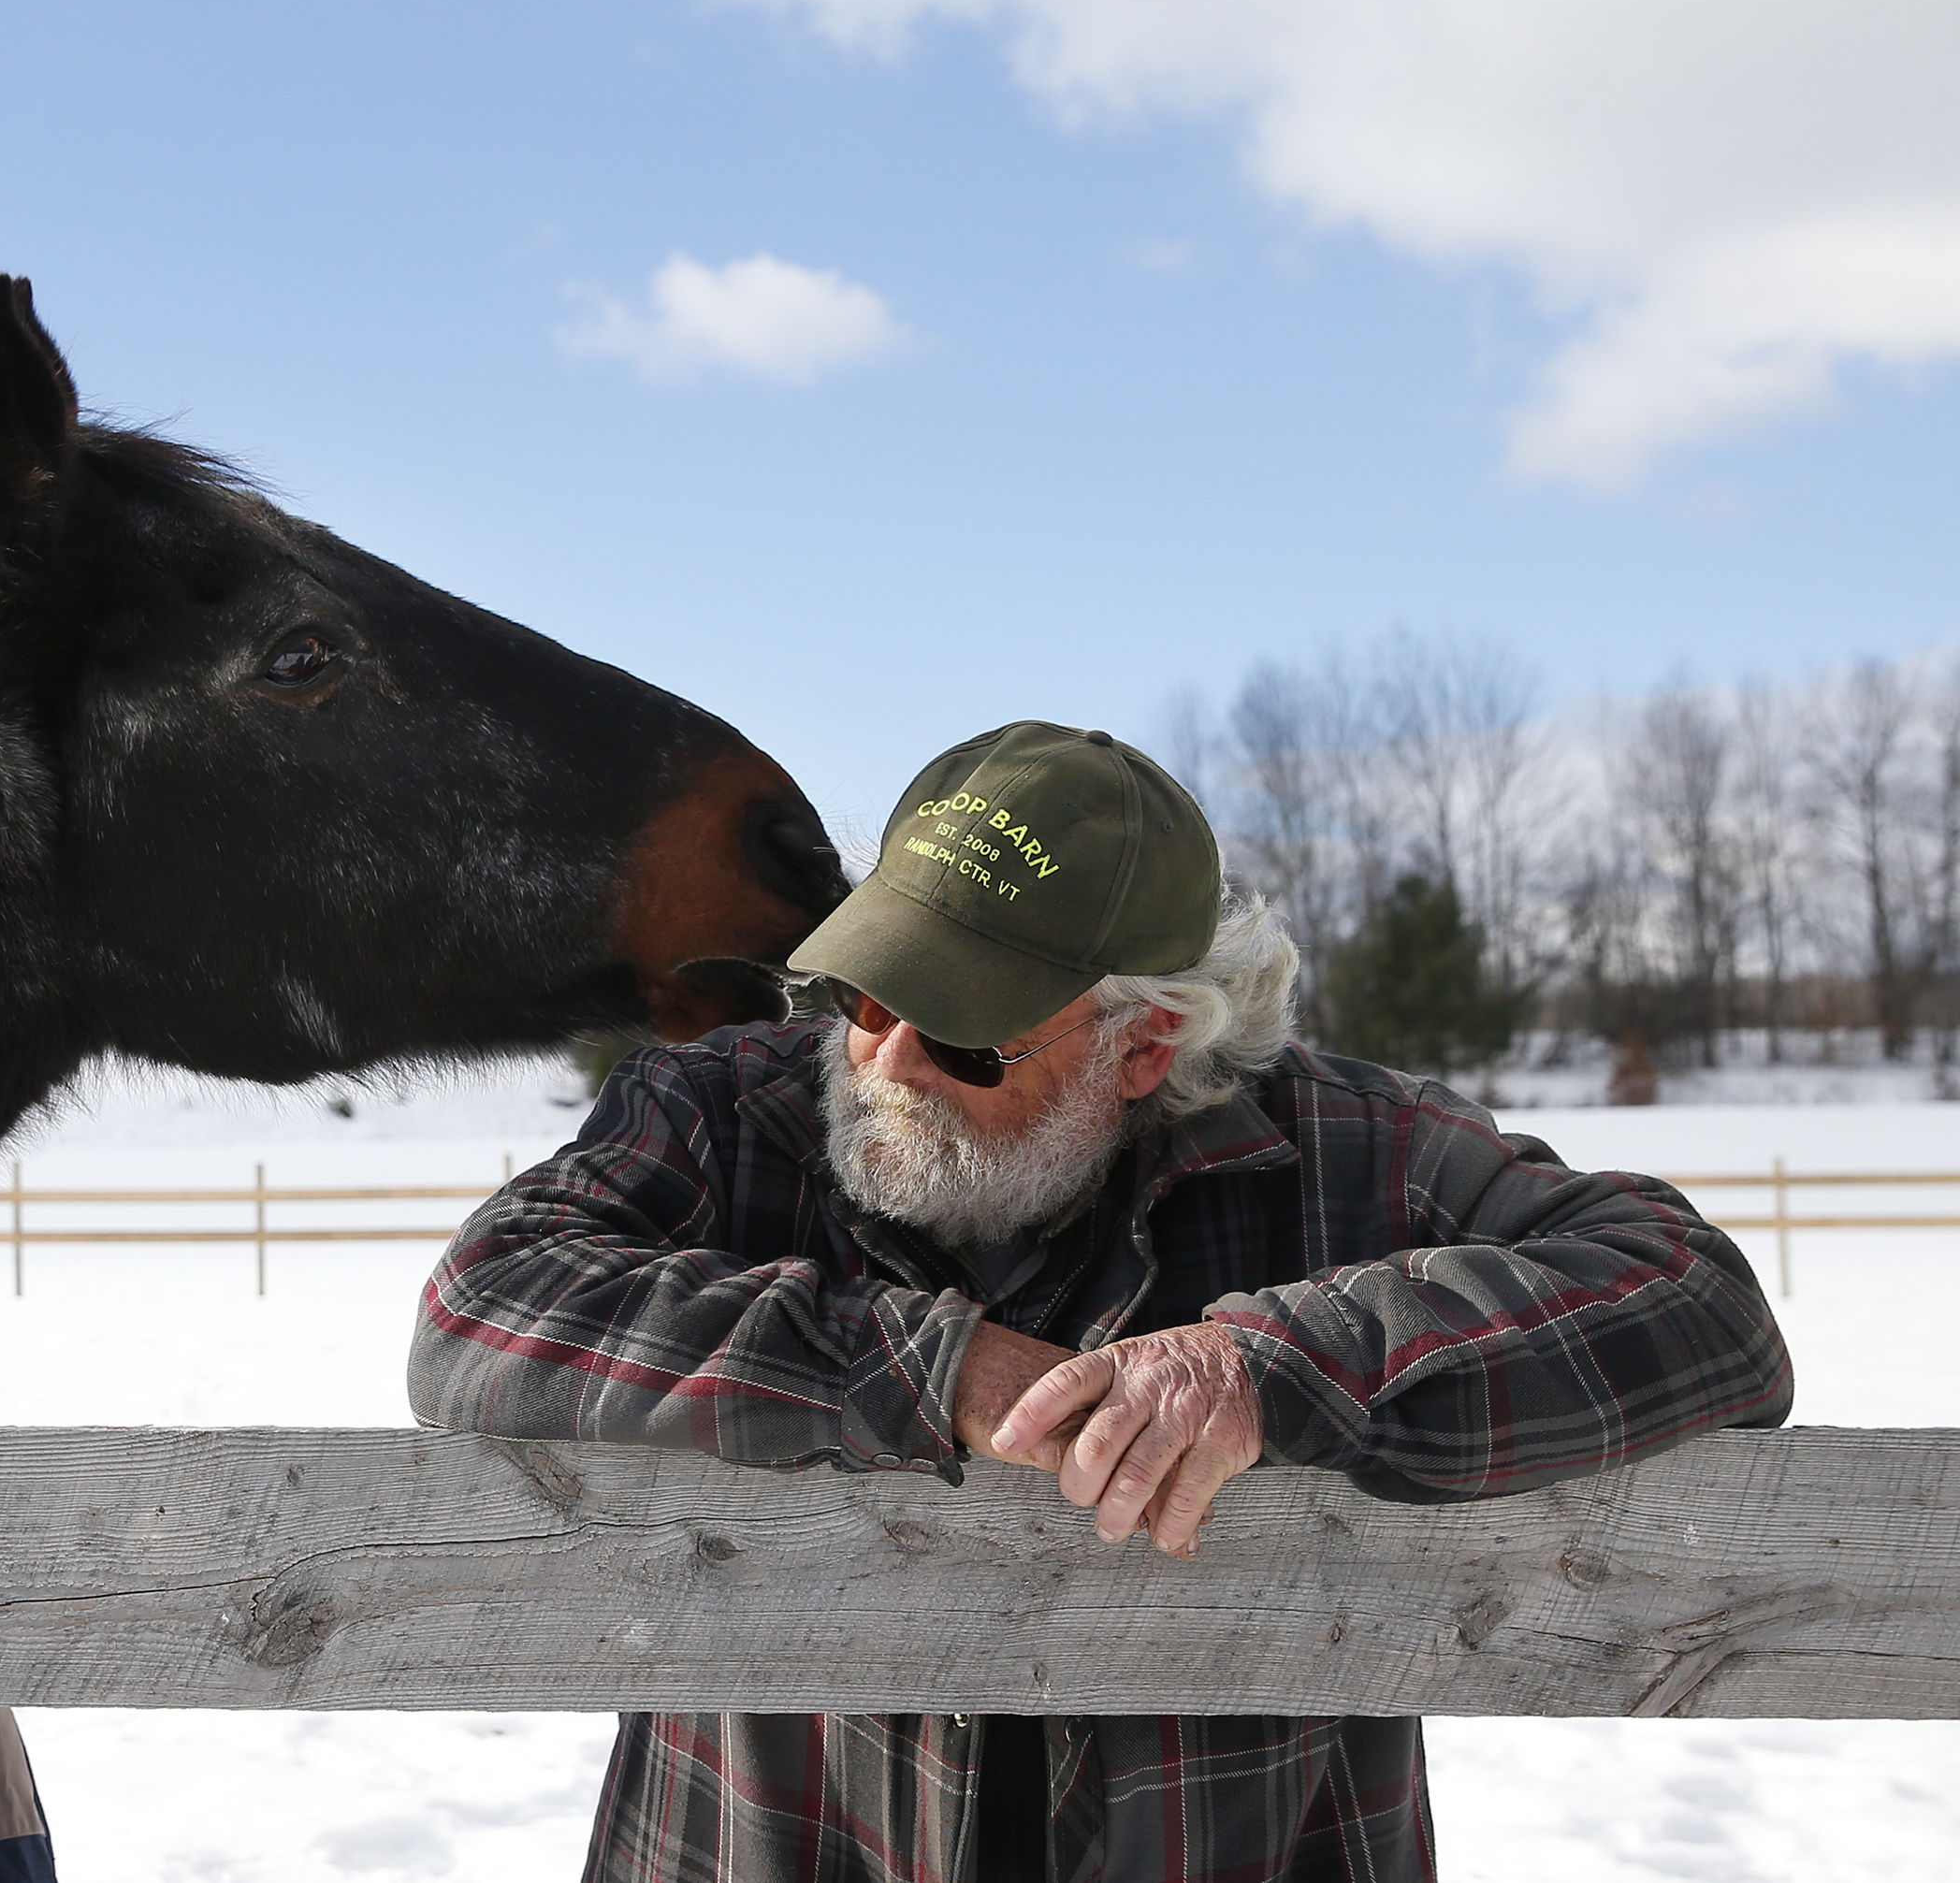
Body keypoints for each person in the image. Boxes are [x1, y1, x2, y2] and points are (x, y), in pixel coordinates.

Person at [408, 719, 1793, 1883]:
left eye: (956, 1026)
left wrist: (1279, 1365)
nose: (880, 1059)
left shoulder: (1347, 1150)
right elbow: (489, 1303)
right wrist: (922, 1367)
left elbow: (1698, 1303)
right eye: (859, 992)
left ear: (1149, 1044)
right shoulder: (729, 1113)